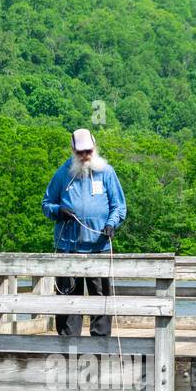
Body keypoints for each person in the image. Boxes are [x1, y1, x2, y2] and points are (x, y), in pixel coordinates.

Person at [41, 128, 127, 337]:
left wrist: (111, 224)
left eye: (88, 151)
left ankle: (100, 343)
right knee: (68, 297)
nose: (85, 156)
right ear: (73, 150)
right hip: (68, 246)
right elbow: (46, 204)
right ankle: (68, 344)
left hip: (99, 247)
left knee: (101, 296)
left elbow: (119, 206)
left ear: (94, 148)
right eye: (80, 152)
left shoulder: (107, 172)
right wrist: (58, 211)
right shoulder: (62, 174)